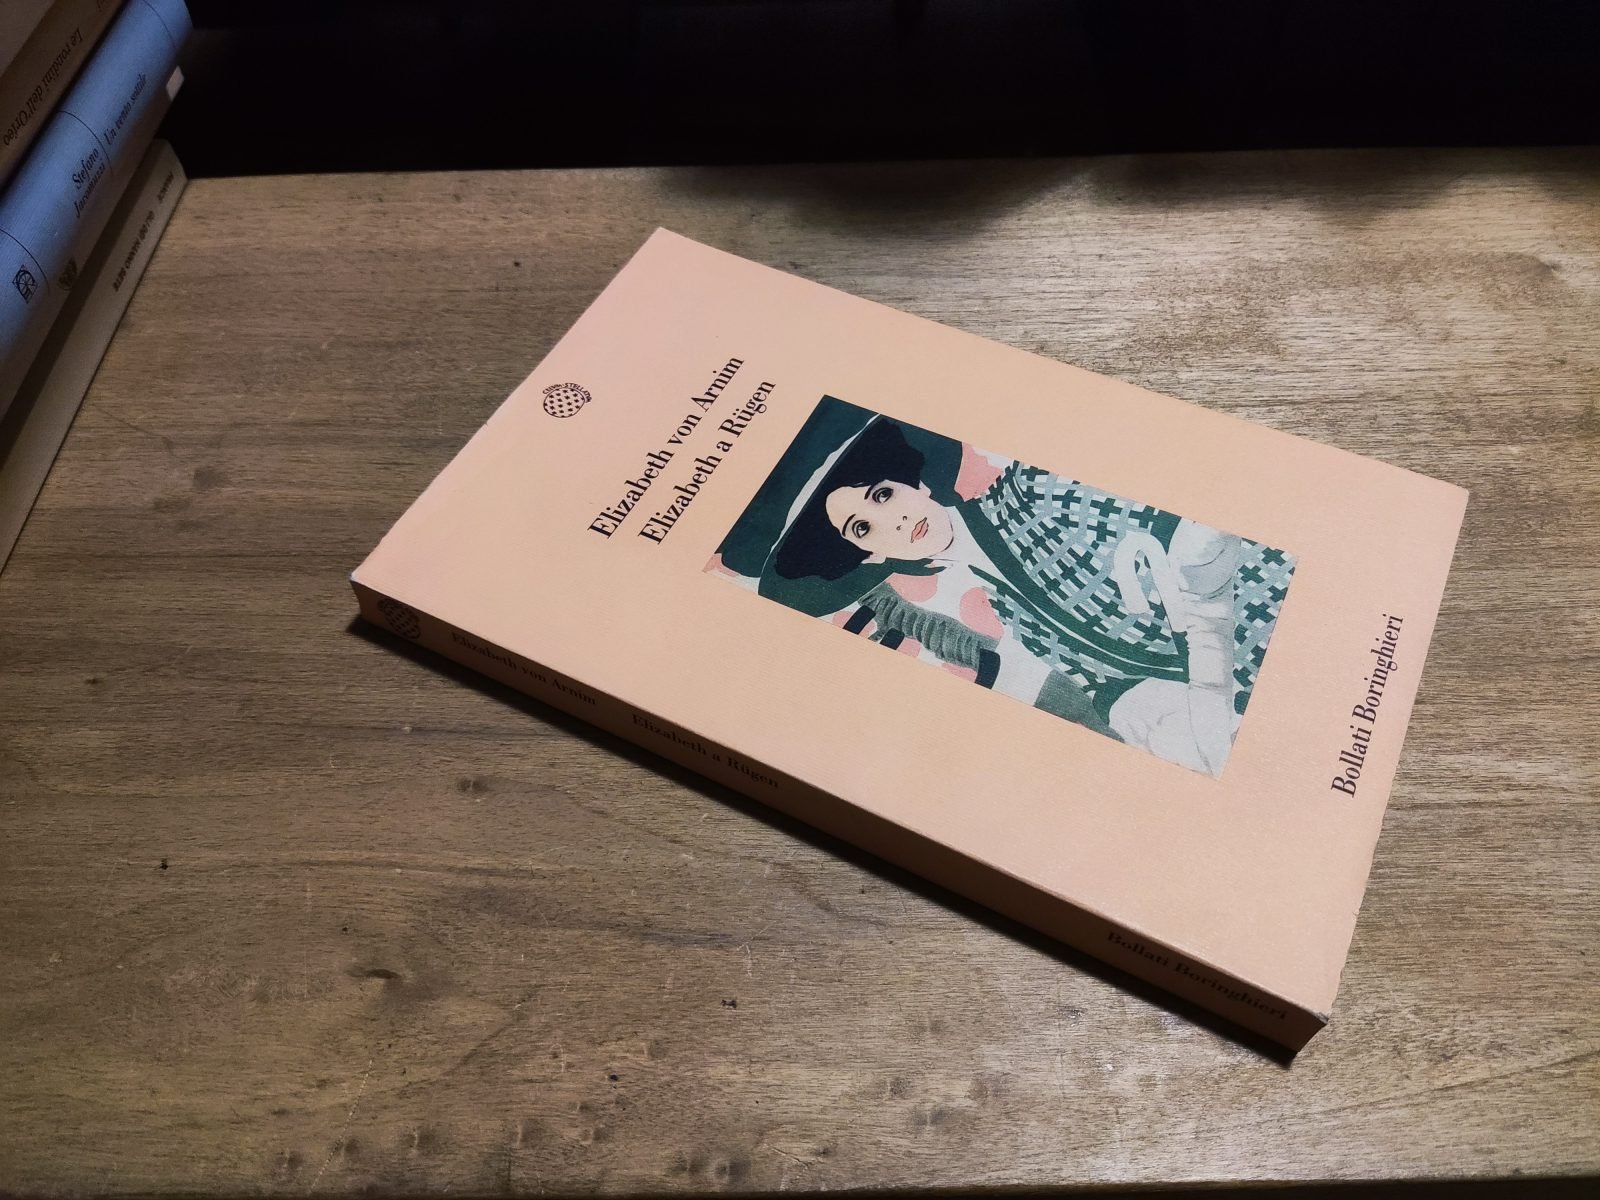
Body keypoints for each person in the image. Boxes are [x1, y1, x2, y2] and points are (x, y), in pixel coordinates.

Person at [753, 407, 1293, 776]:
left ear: (912, 482)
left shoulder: (1031, 489)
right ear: (868, 555)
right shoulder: (1006, 608)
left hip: (1275, 622)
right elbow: (1102, 682)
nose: (892, 520)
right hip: (1239, 720)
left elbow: (1188, 537)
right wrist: (1139, 711)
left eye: (881, 495)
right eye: (863, 528)